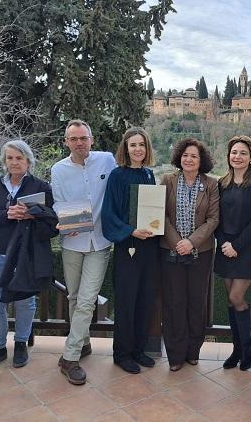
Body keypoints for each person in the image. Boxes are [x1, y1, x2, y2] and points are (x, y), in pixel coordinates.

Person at [0, 140, 57, 371]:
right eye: (10, 158)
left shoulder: (41, 187)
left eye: (19, 158)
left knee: (24, 300)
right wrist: (6, 214)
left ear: (28, 161)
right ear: (4, 162)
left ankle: (21, 343)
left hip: (26, 253)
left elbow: (52, 222)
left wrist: (33, 215)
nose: (14, 162)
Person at [51, 120, 116, 384]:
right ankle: (84, 342)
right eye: (73, 138)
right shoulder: (58, 169)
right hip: (72, 242)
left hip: (99, 243)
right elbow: (57, 202)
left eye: (83, 138)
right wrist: (65, 219)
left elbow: (121, 188)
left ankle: (70, 357)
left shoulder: (107, 160)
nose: (79, 143)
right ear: (66, 142)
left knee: (87, 300)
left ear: (92, 139)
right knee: (74, 297)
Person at [101, 128, 159, 374]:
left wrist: (154, 227)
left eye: (141, 145)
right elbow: (109, 214)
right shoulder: (117, 176)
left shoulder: (149, 175)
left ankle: (138, 349)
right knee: (126, 301)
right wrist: (130, 231)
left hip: (149, 246)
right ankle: (122, 354)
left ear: (147, 149)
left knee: (145, 299)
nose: (137, 149)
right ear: (125, 149)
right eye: (132, 145)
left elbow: (153, 209)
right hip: (127, 245)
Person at [160, 138, 219, 372]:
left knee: (196, 302)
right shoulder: (167, 181)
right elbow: (160, 215)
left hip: (200, 253)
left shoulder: (211, 185)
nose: (189, 159)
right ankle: (174, 355)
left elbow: (213, 219)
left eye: (194, 156)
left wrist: (191, 242)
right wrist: (177, 243)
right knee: (174, 302)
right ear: (179, 158)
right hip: (171, 252)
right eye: (185, 155)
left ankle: (192, 351)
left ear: (201, 160)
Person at [214, 136, 251, 371]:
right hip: (225, 248)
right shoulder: (222, 183)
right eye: (234, 152)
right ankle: (237, 349)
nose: (237, 156)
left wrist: (237, 245)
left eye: (243, 153)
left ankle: (247, 347)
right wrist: (225, 243)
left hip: (248, 249)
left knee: (237, 298)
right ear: (228, 156)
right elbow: (217, 218)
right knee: (230, 300)